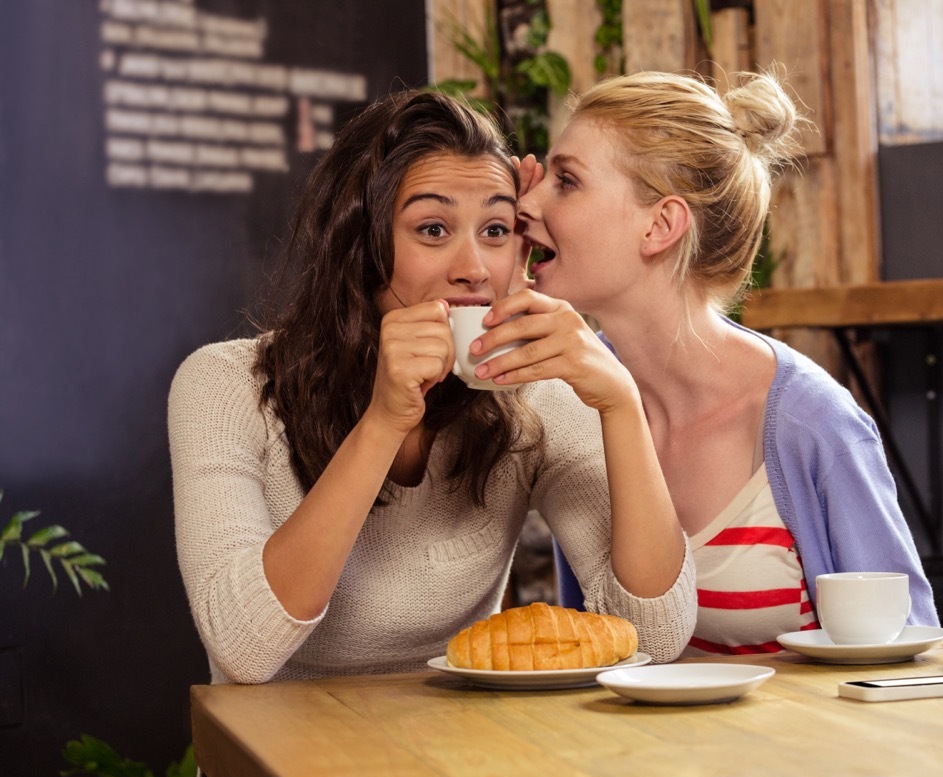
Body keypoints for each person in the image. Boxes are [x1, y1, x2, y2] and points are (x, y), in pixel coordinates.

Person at [168, 89, 695, 685]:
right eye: (433, 228)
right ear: (360, 247)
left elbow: (656, 636)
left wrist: (620, 403)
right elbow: (244, 649)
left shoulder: (531, 395)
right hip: (282, 763)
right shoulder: (225, 385)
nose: (473, 267)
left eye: (496, 229)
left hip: (452, 760)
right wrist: (383, 421)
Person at [505, 70, 937, 657]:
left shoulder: (809, 424)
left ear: (659, 226)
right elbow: (590, 647)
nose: (525, 201)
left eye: (566, 181)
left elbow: (908, 651)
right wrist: (496, 255)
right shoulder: (574, 402)